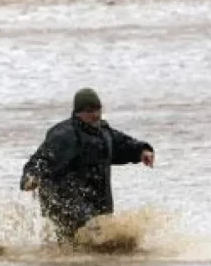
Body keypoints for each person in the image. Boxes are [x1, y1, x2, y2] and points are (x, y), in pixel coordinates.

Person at [19, 88, 155, 244]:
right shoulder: (63, 135)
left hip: (97, 202)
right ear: (78, 112)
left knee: (102, 243)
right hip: (65, 200)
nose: (96, 115)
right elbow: (40, 159)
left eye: (98, 110)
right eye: (90, 111)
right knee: (86, 238)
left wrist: (142, 151)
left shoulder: (104, 132)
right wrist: (31, 177)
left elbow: (123, 144)